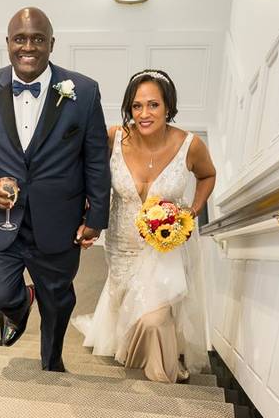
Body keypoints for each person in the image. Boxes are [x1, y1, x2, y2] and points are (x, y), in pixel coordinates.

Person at [0, 7, 111, 372]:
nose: (29, 46)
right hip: (2, 216)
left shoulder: (83, 92)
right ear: (8, 43)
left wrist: (97, 217)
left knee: (57, 300)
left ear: (51, 44)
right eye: (20, 39)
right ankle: (19, 304)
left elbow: (95, 158)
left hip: (58, 220)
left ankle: (52, 360)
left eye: (38, 39)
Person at [73, 69, 216, 382]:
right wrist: (87, 211)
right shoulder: (114, 137)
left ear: (168, 107)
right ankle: (129, 343)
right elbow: (89, 173)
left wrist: (193, 210)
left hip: (164, 247)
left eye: (153, 105)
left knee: (154, 317)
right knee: (124, 298)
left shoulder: (189, 145)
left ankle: (159, 365)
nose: (144, 113)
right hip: (121, 242)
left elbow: (207, 175)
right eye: (137, 106)